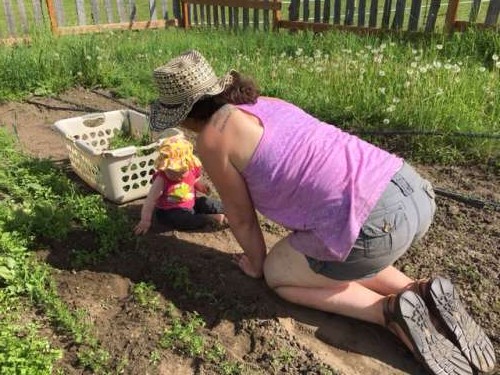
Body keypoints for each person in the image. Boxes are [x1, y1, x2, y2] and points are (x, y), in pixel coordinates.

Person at [147, 49, 496, 375]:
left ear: (187, 114)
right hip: (410, 191)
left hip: (374, 228)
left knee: (279, 274)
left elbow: (240, 217)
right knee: (340, 242)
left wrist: (256, 265)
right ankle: (421, 291)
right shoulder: (264, 103)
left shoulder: (212, 138)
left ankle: (387, 313)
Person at [134, 135, 226, 234]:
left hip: (191, 203)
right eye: (172, 172)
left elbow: (195, 181)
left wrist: (201, 186)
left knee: (206, 202)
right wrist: (145, 220)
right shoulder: (161, 180)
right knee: (181, 219)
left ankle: (229, 210)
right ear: (164, 167)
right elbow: (150, 201)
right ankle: (208, 218)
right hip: (169, 211)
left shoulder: (192, 168)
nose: (179, 176)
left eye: (182, 172)